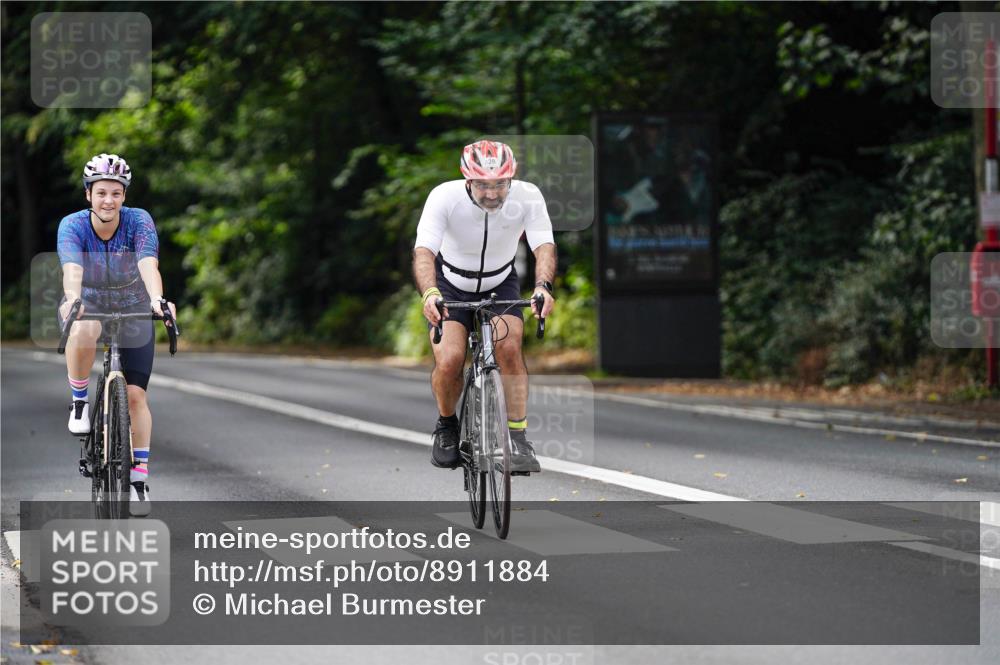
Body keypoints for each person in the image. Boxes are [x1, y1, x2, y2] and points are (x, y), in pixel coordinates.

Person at [412, 140, 556, 473]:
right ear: (466, 179)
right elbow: (424, 252)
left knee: (509, 348)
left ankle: (518, 438)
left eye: (499, 184)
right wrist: (430, 292)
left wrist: (543, 287)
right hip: (451, 285)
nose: (492, 193)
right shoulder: (443, 197)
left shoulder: (527, 196)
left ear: (511, 178)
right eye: (482, 185)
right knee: (449, 360)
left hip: (499, 282)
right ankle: (447, 425)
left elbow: (544, 245)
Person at [56, 153, 176, 516]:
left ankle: (138, 482)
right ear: (88, 194)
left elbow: (148, 265)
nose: (109, 200)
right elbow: (72, 270)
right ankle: (79, 401)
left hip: (133, 305)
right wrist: (74, 299)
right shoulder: (72, 225)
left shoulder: (139, 221)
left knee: (137, 397)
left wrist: (157, 299)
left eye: (116, 193)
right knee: (84, 323)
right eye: (102, 192)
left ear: (124, 196)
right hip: (89, 302)